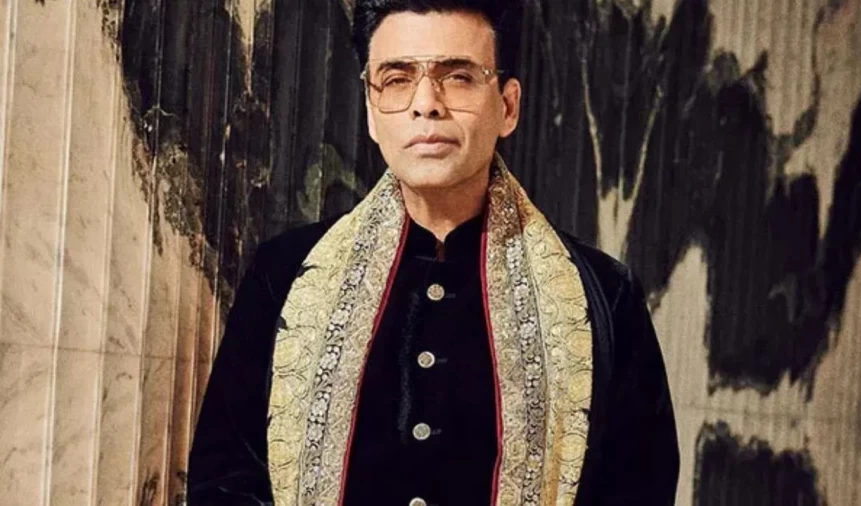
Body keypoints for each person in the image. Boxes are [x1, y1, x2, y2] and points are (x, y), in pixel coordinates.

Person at [186, 1, 679, 504]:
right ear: (371, 111)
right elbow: (225, 481)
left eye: (458, 77)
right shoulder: (286, 276)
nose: (426, 103)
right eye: (397, 79)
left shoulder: (603, 298)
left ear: (508, 107)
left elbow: (639, 488)